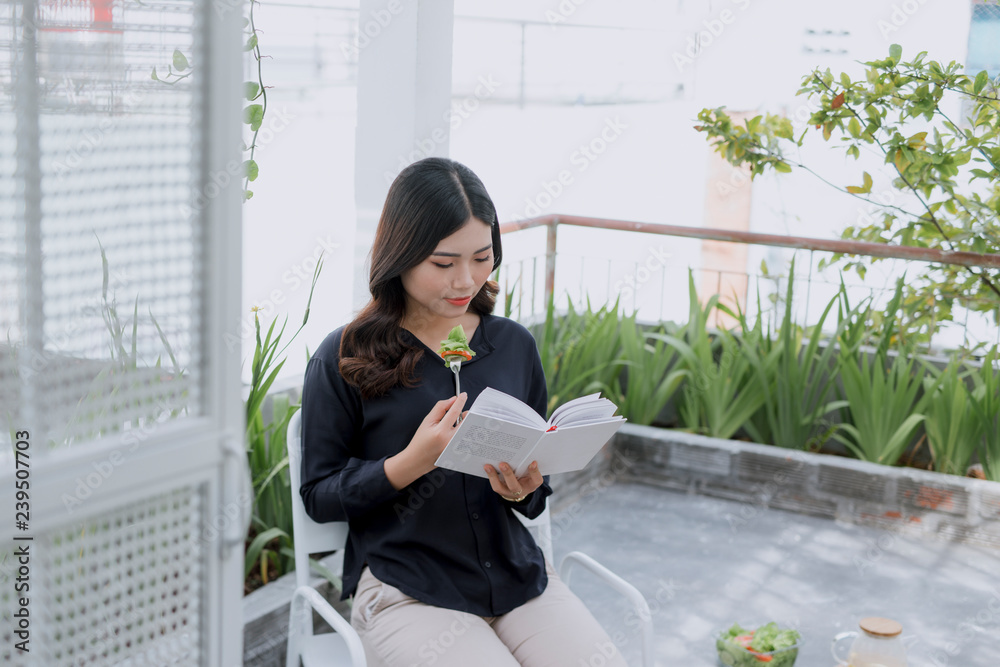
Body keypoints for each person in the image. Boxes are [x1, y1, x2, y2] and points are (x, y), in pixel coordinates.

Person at [299, 157, 628, 666]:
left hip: (516, 576)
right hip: (406, 586)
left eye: (482, 257)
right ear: (400, 256)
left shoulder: (513, 345)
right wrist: (414, 460)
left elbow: (534, 494)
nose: (466, 281)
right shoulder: (344, 356)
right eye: (443, 263)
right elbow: (319, 496)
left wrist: (525, 487)